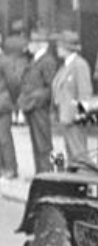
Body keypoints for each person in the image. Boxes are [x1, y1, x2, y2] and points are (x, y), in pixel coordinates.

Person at [18, 31, 58, 176]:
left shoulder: (47, 61)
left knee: (43, 144)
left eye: (32, 42)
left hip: (40, 108)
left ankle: (46, 173)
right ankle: (39, 173)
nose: (29, 45)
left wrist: (35, 98)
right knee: (36, 143)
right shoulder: (35, 60)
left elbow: (50, 87)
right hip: (32, 107)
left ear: (42, 44)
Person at [50, 31, 93, 165]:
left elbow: (85, 93)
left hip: (75, 119)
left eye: (59, 46)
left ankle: (83, 180)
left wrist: (81, 115)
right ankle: (77, 182)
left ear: (67, 48)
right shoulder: (66, 65)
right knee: (72, 156)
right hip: (66, 118)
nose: (57, 48)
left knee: (79, 155)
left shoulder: (79, 65)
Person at [0, 28, 19, 178]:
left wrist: (11, 99)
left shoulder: (4, 60)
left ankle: (11, 168)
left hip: (3, 103)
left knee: (4, 137)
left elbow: (13, 82)